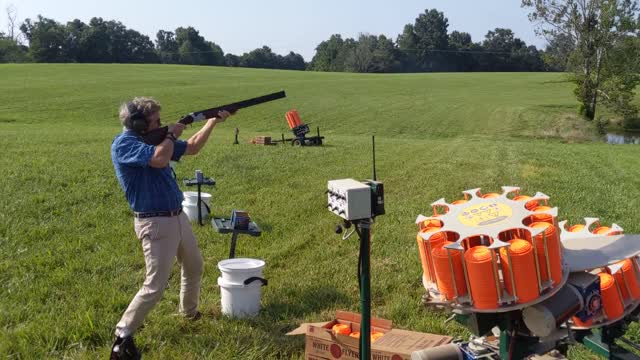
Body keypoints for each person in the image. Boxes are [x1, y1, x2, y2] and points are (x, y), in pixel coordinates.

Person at [109, 97, 231, 359]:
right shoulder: (124, 144)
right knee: (155, 284)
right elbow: (159, 160)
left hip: (177, 216)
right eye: (156, 122)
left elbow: (194, 147)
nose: (162, 125)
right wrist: (171, 134)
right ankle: (122, 334)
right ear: (139, 124)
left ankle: (189, 313)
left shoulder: (156, 139)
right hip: (155, 221)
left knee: (194, 266)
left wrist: (212, 121)